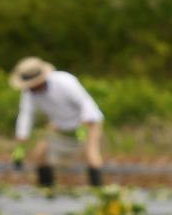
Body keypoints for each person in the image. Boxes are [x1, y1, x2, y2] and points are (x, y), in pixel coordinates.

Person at [9, 57, 106, 190]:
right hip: (59, 124)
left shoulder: (64, 82)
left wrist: (84, 126)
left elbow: (85, 103)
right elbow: (26, 115)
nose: (31, 88)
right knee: (40, 155)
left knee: (91, 155)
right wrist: (21, 141)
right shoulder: (29, 93)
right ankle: (47, 190)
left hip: (87, 121)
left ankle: (98, 193)